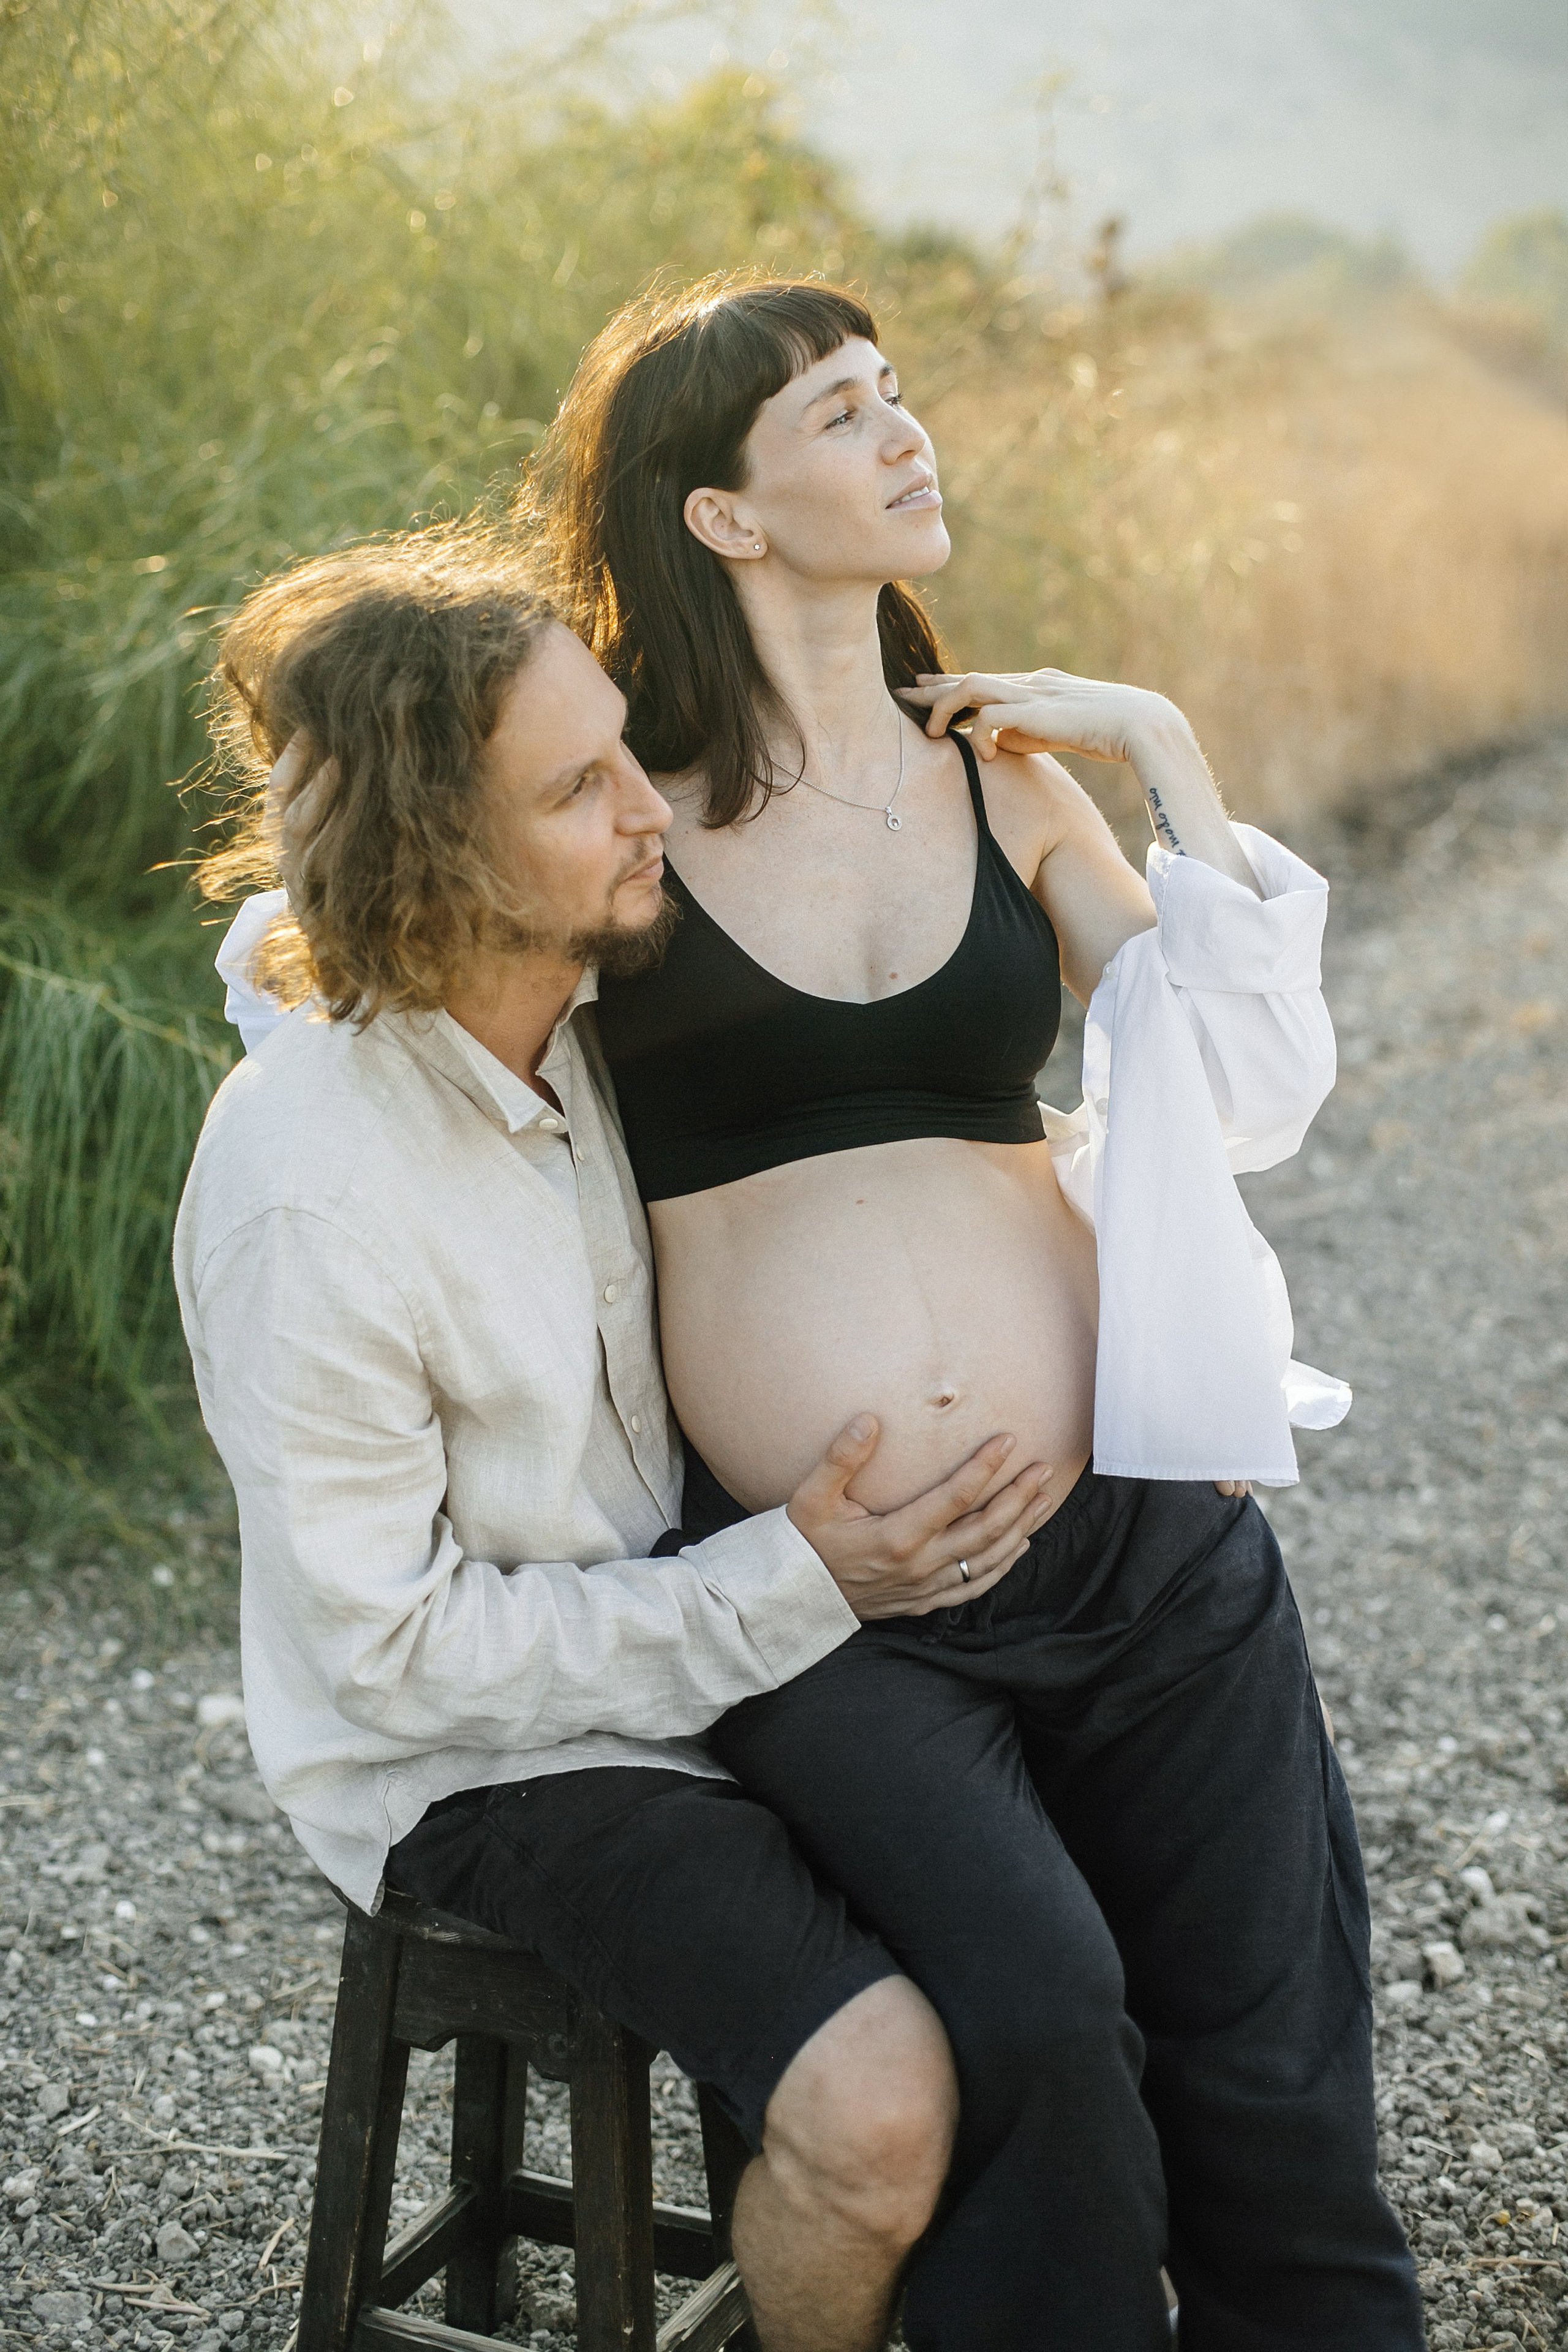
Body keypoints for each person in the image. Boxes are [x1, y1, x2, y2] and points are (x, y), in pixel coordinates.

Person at [219, 277, 1422, 2345]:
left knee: (1280, 2075)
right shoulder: (631, 822)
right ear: (724, 517)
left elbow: (1243, 1098)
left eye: (899, 394)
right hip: (842, 1600)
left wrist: (1160, 756)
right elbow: (370, 935)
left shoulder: (1009, 778)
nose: (905, 432)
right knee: (1055, 2046)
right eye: (845, 411)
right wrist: (280, 1019)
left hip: (1135, 1526)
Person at [175, 527, 1057, 2352]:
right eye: (580, 788)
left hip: (708, 1644)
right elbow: (393, 1652)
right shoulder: (306, 1199)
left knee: (1060, 1953)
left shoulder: (591, 1017)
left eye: (625, 751)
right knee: (882, 2100)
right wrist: (793, 1579)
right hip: (488, 1763)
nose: (652, 812)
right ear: (439, 853)